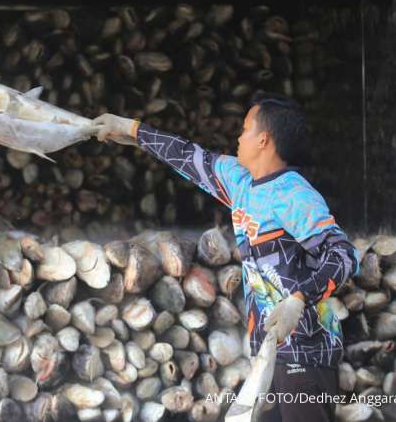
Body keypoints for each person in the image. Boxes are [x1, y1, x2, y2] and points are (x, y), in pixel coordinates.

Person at [94, 92, 360, 422]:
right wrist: (131, 130)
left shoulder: (295, 195)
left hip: (306, 350)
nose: (238, 136)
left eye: (245, 129)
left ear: (263, 140)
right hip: (266, 351)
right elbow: (187, 156)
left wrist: (298, 300)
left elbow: (344, 254)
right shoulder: (240, 182)